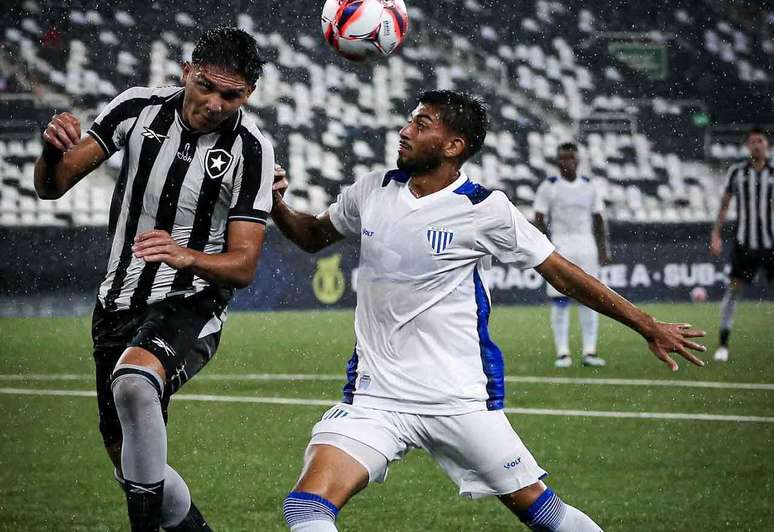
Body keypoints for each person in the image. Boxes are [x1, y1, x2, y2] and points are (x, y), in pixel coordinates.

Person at [270, 90, 705, 532]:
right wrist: (274, 202)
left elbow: (562, 273)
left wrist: (646, 324)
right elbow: (311, 235)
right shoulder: (373, 189)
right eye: (410, 121)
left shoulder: (484, 209)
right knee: (306, 508)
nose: (405, 131)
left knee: (545, 513)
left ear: (454, 146)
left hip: (459, 400)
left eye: (421, 125)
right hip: (376, 398)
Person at [34, 27, 274, 532]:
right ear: (187, 71)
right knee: (135, 468)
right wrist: (52, 151)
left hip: (191, 302)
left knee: (136, 382)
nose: (213, 103)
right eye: (205, 85)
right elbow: (53, 186)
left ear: (248, 93)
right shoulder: (136, 109)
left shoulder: (251, 149)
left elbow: (245, 265)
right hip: (115, 304)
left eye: (230, 95)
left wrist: (184, 257)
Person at [532, 143, 610, 368]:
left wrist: (604, 250)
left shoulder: (590, 186)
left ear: (578, 161)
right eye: (563, 159)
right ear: (557, 162)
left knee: (591, 299)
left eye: (571, 158)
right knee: (560, 300)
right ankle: (563, 353)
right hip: (560, 248)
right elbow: (538, 218)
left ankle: (589, 351)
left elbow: (598, 219)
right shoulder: (549, 187)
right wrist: (543, 246)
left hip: (587, 248)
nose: (567, 162)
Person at [710, 127, 774, 362]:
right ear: (747, 146)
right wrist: (716, 234)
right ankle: (723, 344)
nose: (757, 145)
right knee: (734, 290)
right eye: (752, 142)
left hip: (771, 243)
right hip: (745, 243)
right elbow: (724, 205)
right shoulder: (737, 173)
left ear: (766, 144)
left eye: (760, 141)